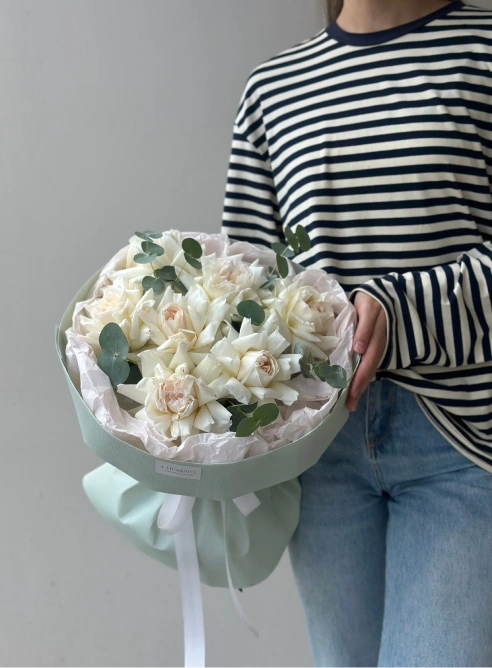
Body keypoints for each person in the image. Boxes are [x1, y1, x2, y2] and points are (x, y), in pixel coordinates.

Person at [220, 1, 492, 666]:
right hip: (320, 452)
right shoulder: (273, 90)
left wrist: (401, 310)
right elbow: (245, 286)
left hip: (462, 441)